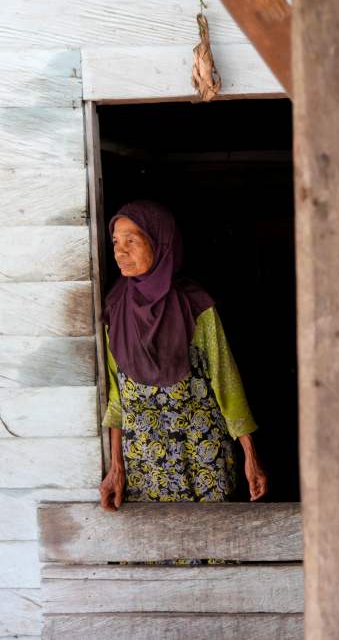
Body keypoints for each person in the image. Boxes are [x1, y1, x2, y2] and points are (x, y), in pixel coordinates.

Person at [97, 200, 268, 513]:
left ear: (160, 242)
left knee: (213, 545)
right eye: (116, 242)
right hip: (144, 466)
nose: (120, 252)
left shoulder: (194, 305)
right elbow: (115, 397)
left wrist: (251, 457)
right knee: (154, 553)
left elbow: (225, 381)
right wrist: (116, 466)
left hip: (203, 456)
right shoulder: (114, 308)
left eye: (132, 241)